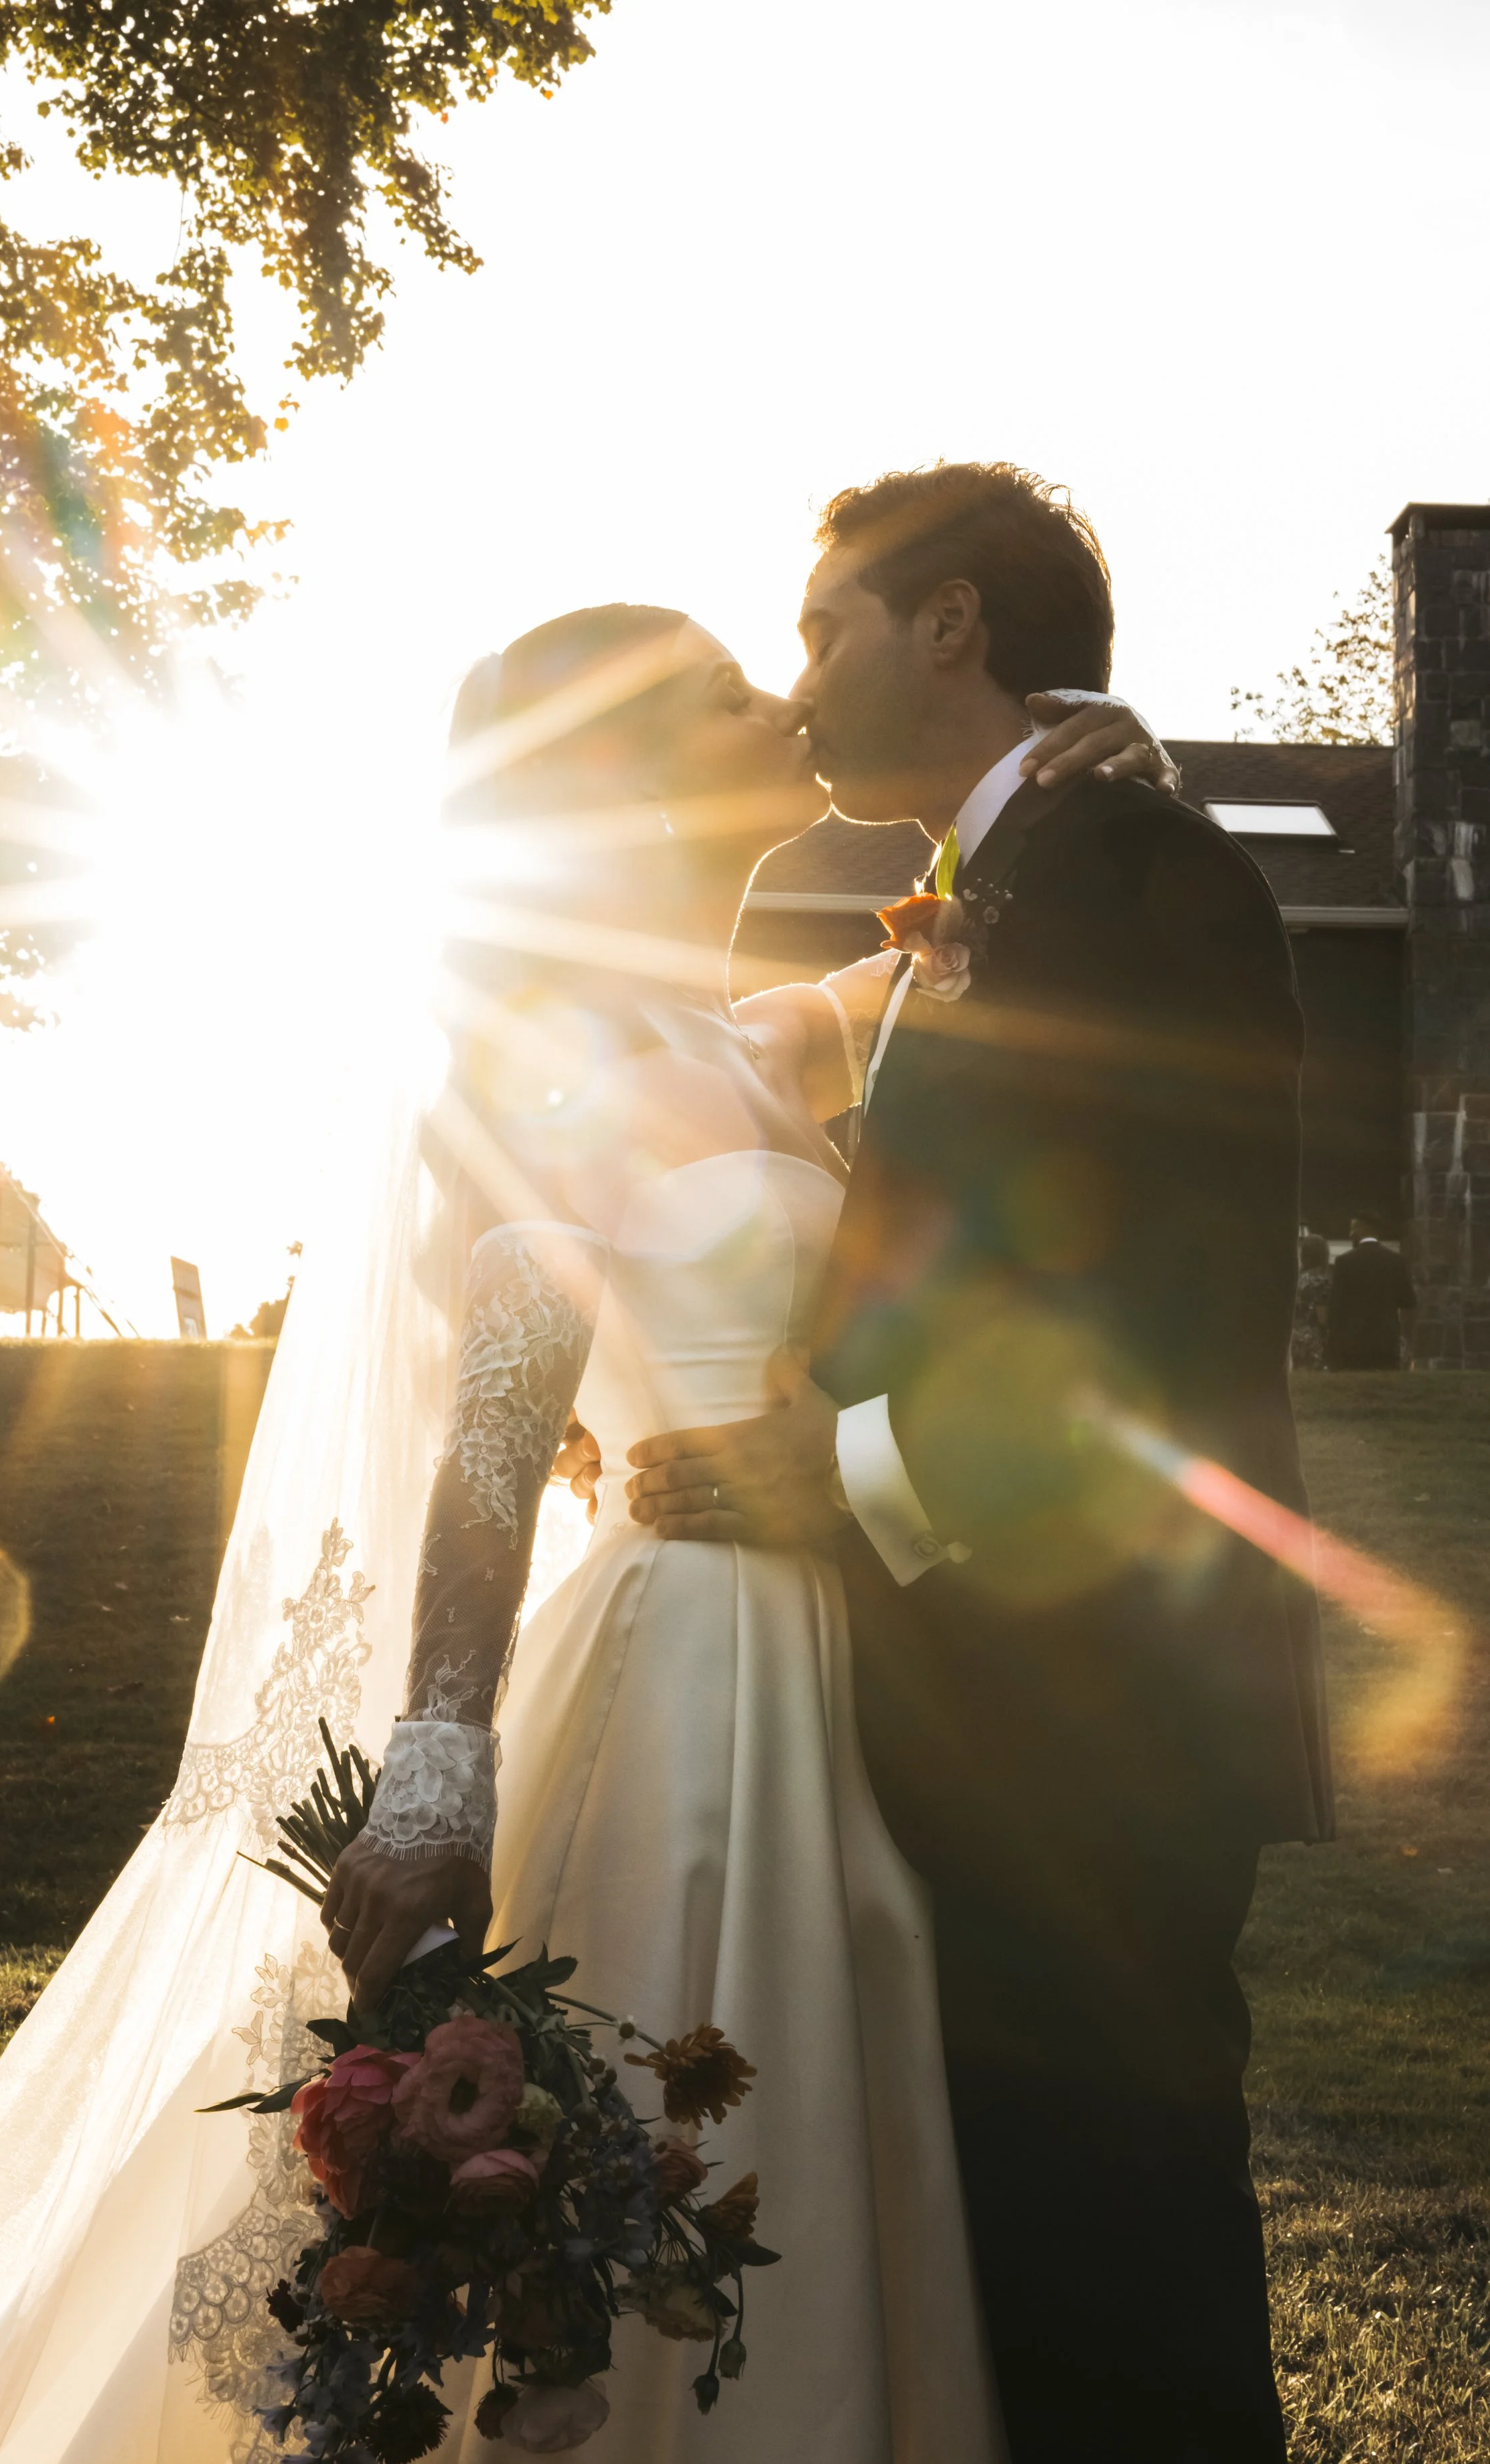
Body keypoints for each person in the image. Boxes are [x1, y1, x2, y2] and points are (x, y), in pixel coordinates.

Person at [0, 580, 1169, 2461]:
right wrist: (442, 1747)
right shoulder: (538, 1056)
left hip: (852, 1663)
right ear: (614, 779)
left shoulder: (767, 1040)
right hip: (681, 1669)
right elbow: (497, 1430)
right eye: (715, 696)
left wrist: (1098, 758)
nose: (775, 702)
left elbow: (998, 934)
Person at [622, 465, 1332, 2463]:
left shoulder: (1133, 875)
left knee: (1116, 2261)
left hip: (1089, 1698)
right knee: (1021, 2247)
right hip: (993, 1687)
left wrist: (846, 1465)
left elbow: (1165, 1308)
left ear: (949, 623)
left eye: (819, 626)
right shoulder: (1008, 881)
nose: (796, 679)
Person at [1325, 1212, 1415, 1371]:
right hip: (1386, 1343)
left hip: (1353, 1345)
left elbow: (1335, 1308)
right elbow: (1409, 1301)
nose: (1350, 1234)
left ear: (1363, 1228)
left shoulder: (1344, 1262)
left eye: (1353, 1229)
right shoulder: (1396, 1261)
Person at [1291, 1232, 1332, 1372]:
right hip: (1313, 1339)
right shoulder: (1321, 1282)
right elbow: (1323, 1318)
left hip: (1295, 1337)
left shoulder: (1297, 1280)